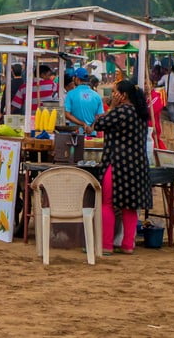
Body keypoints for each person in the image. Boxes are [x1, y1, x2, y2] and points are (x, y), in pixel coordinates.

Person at [93, 80, 152, 256]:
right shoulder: (141, 113)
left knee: (108, 204)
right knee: (130, 206)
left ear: (122, 95)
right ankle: (128, 245)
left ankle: (106, 244)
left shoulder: (120, 111)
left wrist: (112, 107)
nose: (112, 95)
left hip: (117, 163)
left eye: (114, 92)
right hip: (137, 165)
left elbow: (99, 125)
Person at [64, 67, 105, 135]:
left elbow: (67, 115)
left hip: (75, 134)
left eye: (73, 78)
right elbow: (100, 115)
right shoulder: (96, 95)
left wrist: (83, 124)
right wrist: (91, 127)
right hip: (92, 133)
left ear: (77, 79)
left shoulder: (70, 94)